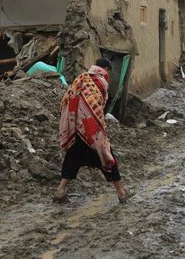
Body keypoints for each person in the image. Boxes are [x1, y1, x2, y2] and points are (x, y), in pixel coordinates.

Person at [53, 57, 132, 204]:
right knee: (108, 159)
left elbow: (66, 100)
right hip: (92, 133)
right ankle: (121, 193)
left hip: (77, 130)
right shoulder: (100, 83)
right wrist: (95, 127)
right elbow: (96, 107)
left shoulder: (81, 78)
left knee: (71, 159)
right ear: (106, 70)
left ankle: (60, 191)